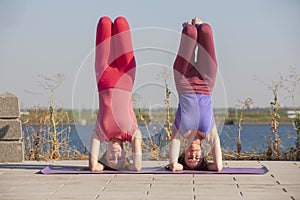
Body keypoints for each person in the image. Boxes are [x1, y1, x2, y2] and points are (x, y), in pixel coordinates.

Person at [169, 17, 223, 172]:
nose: (193, 154)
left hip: (183, 82)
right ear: (203, 153)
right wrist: (213, 166)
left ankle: (188, 27)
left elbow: (173, 165)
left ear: (184, 153)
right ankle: (198, 26)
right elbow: (218, 166)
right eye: (197, 157)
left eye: (188, 157)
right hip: (206, 83)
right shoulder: (209, 132)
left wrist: (175, 165)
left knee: (189, 32)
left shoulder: (181, 133)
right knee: (206, 29)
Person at [89, 16, 142, 171]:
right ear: (126, 154)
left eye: (111, 158)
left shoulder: (100, 133)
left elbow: (93, 167)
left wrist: (103, 167)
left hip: (104, 76)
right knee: (121, 22)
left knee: (104, 22)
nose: (115, 155)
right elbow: (137, 167)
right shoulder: (132, 133)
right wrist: (129, 166)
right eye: (120, 158)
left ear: (105, 155)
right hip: (126, 76)